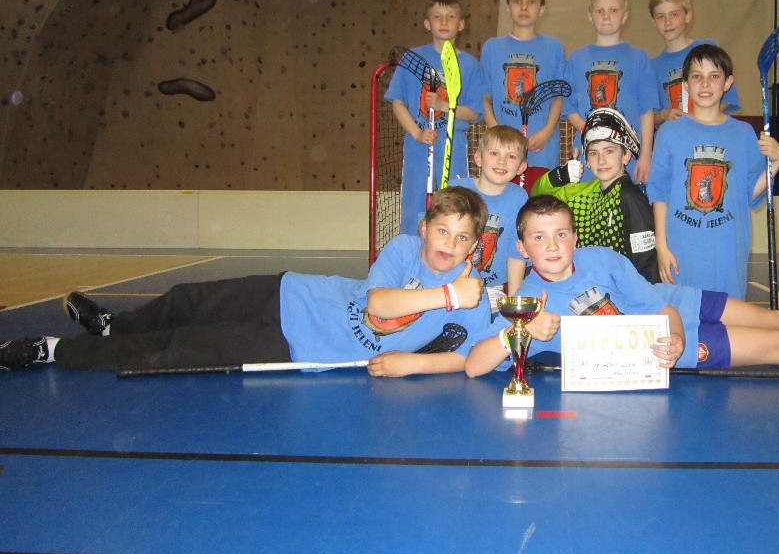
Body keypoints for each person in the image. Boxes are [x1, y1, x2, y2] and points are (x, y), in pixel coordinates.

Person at [464, 195, 779, 378]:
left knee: (778, 317)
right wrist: (521, 331)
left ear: (575, 237)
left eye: (561, 234)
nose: (552, 246)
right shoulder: (523, 303)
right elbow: (474, 365)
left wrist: (672, 331)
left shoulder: (601, 258)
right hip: (661, 350)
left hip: (672, 310)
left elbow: (657, 307)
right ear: (522, 246)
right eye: (539, 237)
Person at [2, 188, 493, 378]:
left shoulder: (474, 297)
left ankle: (53, 350)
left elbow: (471, 361)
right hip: (290, 292)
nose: (448, 244)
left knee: (173, 350)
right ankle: (115, 325)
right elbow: (379, 304)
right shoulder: (404, 249)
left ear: (473, 246)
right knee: (187, 298)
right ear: (424, 228)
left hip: (295, 345)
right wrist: (447, 295)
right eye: (442, 231)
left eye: (462, 237)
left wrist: (414, 363)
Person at [648, 44, 779, 300]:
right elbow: (659, 194)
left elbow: (749, 193)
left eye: (714, 76)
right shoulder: (669, 133)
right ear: (685, 84)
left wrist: (777, 161)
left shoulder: (743, 133)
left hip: (728, 250)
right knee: (684, 316)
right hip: (682, 248)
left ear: (728, 82)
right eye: (696, 76)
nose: (705, 84)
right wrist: (662, 247)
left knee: (728, 318)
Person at [385, 0, 484, 235]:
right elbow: (398, 103)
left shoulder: (470, 64)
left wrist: (444, 106)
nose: (444, 22)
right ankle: (413, 252)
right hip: (418, 145)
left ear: (461, 25)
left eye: (451, 17)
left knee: (456, 203)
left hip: (453, 145)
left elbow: (473, 112)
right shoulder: (412, 59)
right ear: (427, 24)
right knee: (415, 204)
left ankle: (453, 251)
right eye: (437, 17)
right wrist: (417, 133)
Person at [531, 108, 658, 284]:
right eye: (593, 153)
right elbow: (537, 199)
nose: (601, 160)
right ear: (587, 162)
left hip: (620, 290)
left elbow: (646, 261)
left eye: (609, 151)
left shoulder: (630, 197)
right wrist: (559, 176)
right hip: (587, 287)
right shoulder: (582, 193)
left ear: (626, 156)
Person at [564, 0, 658, 184]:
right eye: (600, 11)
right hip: (589, 153)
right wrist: (590, 130)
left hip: (628, 155)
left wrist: (646, 155)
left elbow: (646, 111)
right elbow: (568, 107)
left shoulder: (639, 58)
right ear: (590, 16)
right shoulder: (577, 58)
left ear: (625, 16)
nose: (606, 16)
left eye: (613, 10)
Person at [480, 0, 567, 188]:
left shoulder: (554, 47)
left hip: (542, 149)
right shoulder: (492, 47)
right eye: (517, 1)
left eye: (531, 2)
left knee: (539, 204)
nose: (524, 7)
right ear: (508, 8)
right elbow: (484, 96)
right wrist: (498, 133)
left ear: (542, 9)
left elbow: (558, 97)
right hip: (502, 153)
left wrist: (547, 131)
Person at [449, 125, 530, 294]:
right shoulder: (456, 190)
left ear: (521, 167)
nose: (502, 161)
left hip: (491, 288)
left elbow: (515, 252)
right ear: (478, 158)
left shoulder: (519, 198)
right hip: (448, 279)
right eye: (494, 153)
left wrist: (513, 300)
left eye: (511, 156)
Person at [648, 0, 741, 123]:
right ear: (654, 22)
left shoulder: (708, 50)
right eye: (661, 16)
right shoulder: (652, 66)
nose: (668, 22)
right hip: (674, 135)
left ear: (688, 16)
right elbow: (650, 118)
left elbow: (727, 100)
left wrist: (699, 121)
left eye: (674, 14)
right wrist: (663, 115)